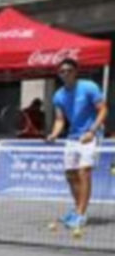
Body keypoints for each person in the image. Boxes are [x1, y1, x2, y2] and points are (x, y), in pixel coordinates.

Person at [46, 58, 108, 229]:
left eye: (68, 70)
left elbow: (103, 109)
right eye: (62, 71)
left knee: (84, 172)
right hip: (73, 137)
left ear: (75, 72)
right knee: (70, 175)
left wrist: (92, 131)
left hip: (92, 134)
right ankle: (78, 208)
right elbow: (60, 119)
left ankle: (81, 214)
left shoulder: (89, 87)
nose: (65, 74)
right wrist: (54, 134)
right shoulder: (58, 95)